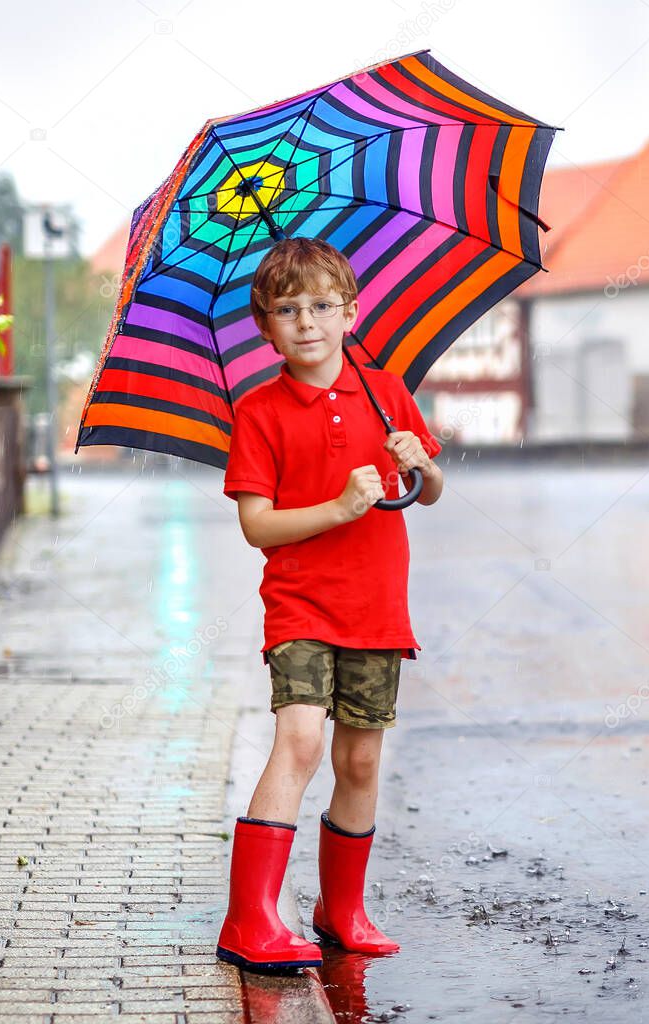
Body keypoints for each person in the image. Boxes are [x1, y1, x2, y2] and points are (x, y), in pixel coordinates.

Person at [215, 237, 444, 972]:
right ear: (265, 326)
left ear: (351, 311)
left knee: (362, 759)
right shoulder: (258, 412)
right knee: (302, 742)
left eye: (321, 305)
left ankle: (339, 910)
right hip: (301, 607)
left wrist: (423, 465)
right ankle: (249, 919)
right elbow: (258, 526)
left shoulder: (386, 392)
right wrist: (339, 506)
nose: (306, 321)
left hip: (377, 606)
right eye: (287, 309)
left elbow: (428, 493)